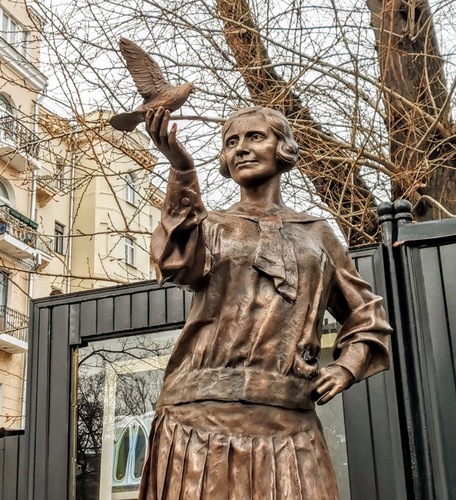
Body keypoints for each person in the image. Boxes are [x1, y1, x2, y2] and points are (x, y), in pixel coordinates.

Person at [139, 106, 391, 500]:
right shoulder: (211, 225)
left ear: (283, 147)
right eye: (231, 142)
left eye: (255, 137)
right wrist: (182, 169)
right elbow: (174, 262)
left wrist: (347, 366)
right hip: (199, 420)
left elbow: (366, 313)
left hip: (289, 420)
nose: (240, 148)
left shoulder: (317, 234)